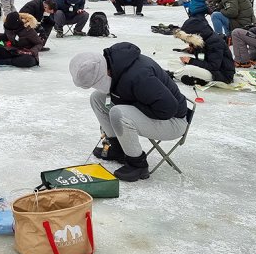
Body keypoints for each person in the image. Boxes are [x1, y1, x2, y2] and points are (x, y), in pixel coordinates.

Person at [69, 43, 190, 181]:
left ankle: (138, 165)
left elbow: (168, 108)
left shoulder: (138, 76)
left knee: (119, 113)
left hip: (173, 121)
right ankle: (117, 149)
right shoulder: (116, 66)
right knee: (97, 98)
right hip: (161, 112)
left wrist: (129, 105)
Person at [168, 15, 235, 85]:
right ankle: (194, 78)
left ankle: (174, 76)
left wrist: (191, 61)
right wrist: (193, 51)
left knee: (187, 69)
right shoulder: (201, 40)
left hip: (221, 75)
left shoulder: (214, 42)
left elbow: (213, 66)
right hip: (210, 70)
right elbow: (202, 58)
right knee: (173, 62)